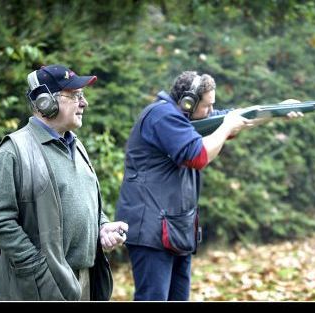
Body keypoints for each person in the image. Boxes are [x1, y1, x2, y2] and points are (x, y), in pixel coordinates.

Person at [114, 70, 303, 301]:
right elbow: (198, 156)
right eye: (207, 105)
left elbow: (236, 119)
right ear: (188, 102)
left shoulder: (184, 118)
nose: (211, 111)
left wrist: (275, 110)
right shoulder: (162, 116)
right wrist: (225, 127)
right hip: (152, 230)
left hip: (175, 228)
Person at [0, 64, 129, 301]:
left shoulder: (76, 145)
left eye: (83, 96)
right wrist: (40, 269)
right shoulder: (13, 152)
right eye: (74, 96)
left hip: (85, 279)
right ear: (44, 102)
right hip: (39, 287)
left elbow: (82, 201)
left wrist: (102, 227)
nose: (84, 103)